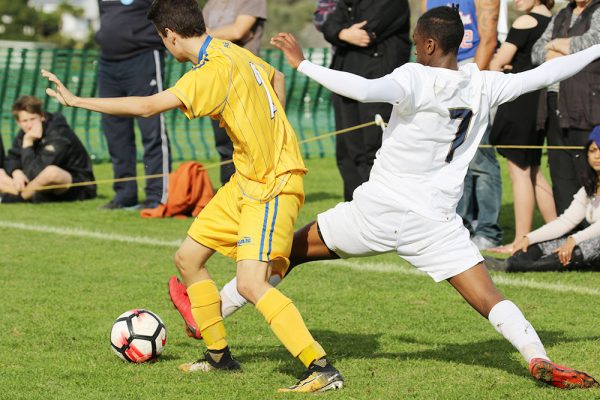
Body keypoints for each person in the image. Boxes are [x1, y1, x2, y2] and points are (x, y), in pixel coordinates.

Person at [170, 6, 600, 389]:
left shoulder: (414, 77)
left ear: (429, 44)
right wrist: (596, 49)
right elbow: (547, 74)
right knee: (490, 299)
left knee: (286, 253)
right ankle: (537, 356)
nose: (414, 50)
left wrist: (303, 65)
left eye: (416, 43)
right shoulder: (484, 84)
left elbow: (360, 89)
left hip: (376, 212)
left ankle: (210, 314)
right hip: (434, 224)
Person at [42, 0, 343, 393]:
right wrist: (268, 131)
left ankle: (320, 367)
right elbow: (278, 81)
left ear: (169, 36)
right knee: (188, 258)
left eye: (161, 40)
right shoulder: (230, 50)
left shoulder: (210, 71)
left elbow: (148, 106)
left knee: (251, 283)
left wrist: (78, 101)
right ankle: (219, 356)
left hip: (272, 183)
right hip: (245, 180)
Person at [424, 0, 504, 250]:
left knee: (481, 159)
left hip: (472, 69)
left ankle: (488, 231)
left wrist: (468, 83)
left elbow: (489, 39)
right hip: (442, 72)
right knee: (454, 157)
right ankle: (460, 226)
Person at [320, 0, 411, 201]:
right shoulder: (348, 2)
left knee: (375, 152)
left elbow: (367, 30)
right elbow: (328, 26)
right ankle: (353, 210)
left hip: (378, 85)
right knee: (348, 154)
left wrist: (339, 33)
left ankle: (378, 211)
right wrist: (343, 33)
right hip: (345, 84)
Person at [487, 0, 556, 253]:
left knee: (519, 173)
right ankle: (557, 232)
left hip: (519, 102)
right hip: (539, 103)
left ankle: (520, 241)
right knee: (535, 171)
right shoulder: (553, 21)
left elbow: (497, 63)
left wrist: (505, 65)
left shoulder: (525, 22)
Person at [487, 128, 600, 272]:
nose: (597, 156)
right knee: (536, 246)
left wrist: (574, 239)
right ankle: (514, 262)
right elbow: (565, 222)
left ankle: (514, 266)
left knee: (588, 245)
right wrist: (529, 238)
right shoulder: (588, 188)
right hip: (590, 240)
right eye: (592, 151)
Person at [96, 0, 171, 210]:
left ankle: (158, 195)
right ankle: (125, 193)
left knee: (152, 128)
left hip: (143, 58)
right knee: (115, 131)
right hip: (107, 62)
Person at [532, 0, 600, 215]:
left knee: (588, 173)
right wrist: (565, 50)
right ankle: (566, 238)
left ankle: (590, 238)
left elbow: (594, 42)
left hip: (587, 107)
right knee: (561, 175)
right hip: (553, 106)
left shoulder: (598, 10)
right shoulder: (562, 14)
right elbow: (536, 51)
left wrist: (556, 45)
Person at [202, 0, 267, 186]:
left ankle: (256, 190)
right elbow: (235, 33)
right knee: (224, 145)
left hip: (244, 79)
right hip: (216, 78)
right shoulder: (211, 4)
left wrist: (206, 34)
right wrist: (223, 34)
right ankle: (228, 192)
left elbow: (238, 31)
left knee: (249, 142)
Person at [0, 96, 96, 204]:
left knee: (51, 172)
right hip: (37, 184)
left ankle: (17, 198)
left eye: (33, 119)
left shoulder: (58, 134)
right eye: (25, 121)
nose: (29, 125)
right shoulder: (25, 132)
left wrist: (28, 143)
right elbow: (11, 158)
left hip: (78, 184)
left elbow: (35, 174)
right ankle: (29, 195)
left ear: (42, 116)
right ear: (18, 122)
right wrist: (16, 172)